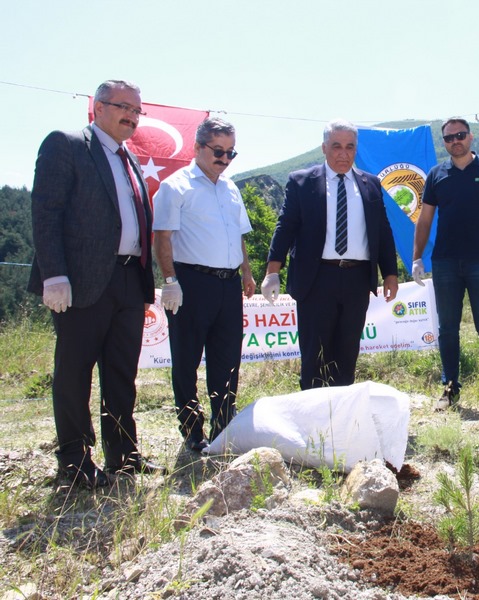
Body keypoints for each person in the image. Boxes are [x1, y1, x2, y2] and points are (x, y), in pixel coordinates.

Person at [28, 79, 165, 488]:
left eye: (137, 110)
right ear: (97, 107)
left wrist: (143, 287)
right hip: (82, 282)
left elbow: (137, 225)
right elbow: (46, 211)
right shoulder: (67, 145)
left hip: (127, 281)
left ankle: (123, 454)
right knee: (74, 373)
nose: (132, 115)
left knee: (121, 373)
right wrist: (55, 274)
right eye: (124, 106)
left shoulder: (130, 159)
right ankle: (74, 462)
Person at [262, 119, 399, 389]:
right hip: (316, 279)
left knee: (347, 352)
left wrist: (391, 274)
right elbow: (285, 226)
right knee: (315, 354)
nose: (343, 153)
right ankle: (313, 420)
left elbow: (382, 231)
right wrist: (272, 272)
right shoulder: (302, 182)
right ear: (324, 148)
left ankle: (342, 417)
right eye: (336, 146)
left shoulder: (370, 184)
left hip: (357, 279)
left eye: (350, 147)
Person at [152, 118, 256, 452]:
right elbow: (162, 237)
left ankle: (223, 426)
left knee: (227, 359)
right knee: (186, 359)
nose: (225, 159)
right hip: (191, 283)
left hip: (228, 286)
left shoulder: (231, 187)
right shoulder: (175, 186)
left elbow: (238, 236)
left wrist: (247, 273)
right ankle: (192, 430)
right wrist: (170, 281)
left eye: (231, 153)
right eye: (218, 151)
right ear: (198, 148)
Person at [411, 117, 479, 412]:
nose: (454, 140)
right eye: (448, 138)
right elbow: (425, 218)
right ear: (444, 142)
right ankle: (449, 387)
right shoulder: (436, 175)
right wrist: (417, 256)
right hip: (445, 262)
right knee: (447, 329)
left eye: (460, 135)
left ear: (470, 137)